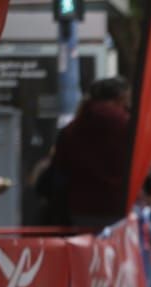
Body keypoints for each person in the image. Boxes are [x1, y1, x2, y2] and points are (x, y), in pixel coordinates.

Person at [52, 76, 132, 230]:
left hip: (80, 207)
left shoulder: (71, 129)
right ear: (122, 97)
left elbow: (61, 166)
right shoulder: (127, 126)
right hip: (118, 204)